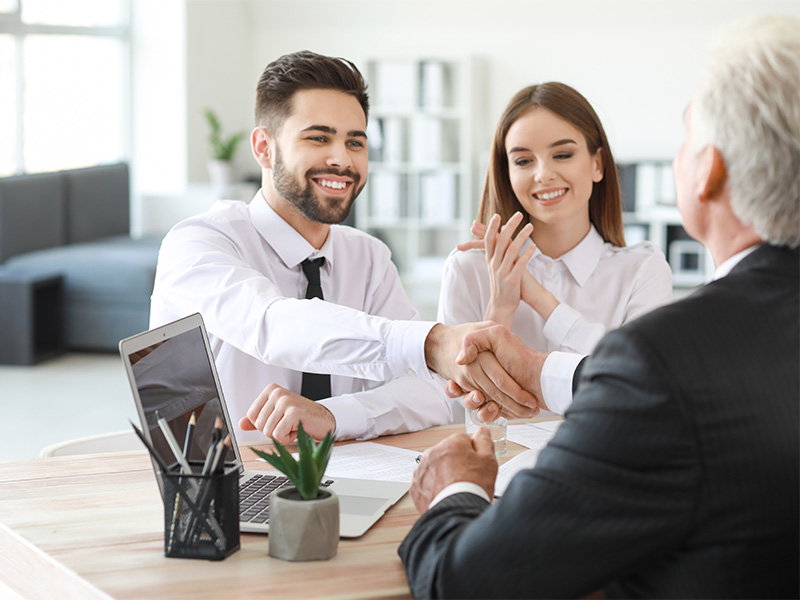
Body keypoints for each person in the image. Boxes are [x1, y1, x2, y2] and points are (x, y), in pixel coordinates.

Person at [399, 14, 800, 598]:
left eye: (686, 137)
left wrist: (452, 490)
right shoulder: (697, 351)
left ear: (708, 169)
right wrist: (527, 352)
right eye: (522, 159)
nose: (542, 175)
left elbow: (466, 579)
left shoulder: (663, 353)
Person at [150, 51, 479, 444]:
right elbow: (270, 324)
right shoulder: (198, 243)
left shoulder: (369, 257)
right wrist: (428, 343)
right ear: (264, 147)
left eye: (355, 142)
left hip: (352, 480)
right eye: (318, 137)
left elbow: (427, 395)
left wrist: (332, 415)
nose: (341, 159)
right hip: (223, 488)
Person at [439, 82, 672, 416]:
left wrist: (540, 300)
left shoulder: (642, 270)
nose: (543, 174)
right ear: (507, 172)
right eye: (523, 161)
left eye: (562, 155)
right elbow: (455, 411)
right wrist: (500, 309)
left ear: (597, 164)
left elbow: (641, 388)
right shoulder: (468, 268)